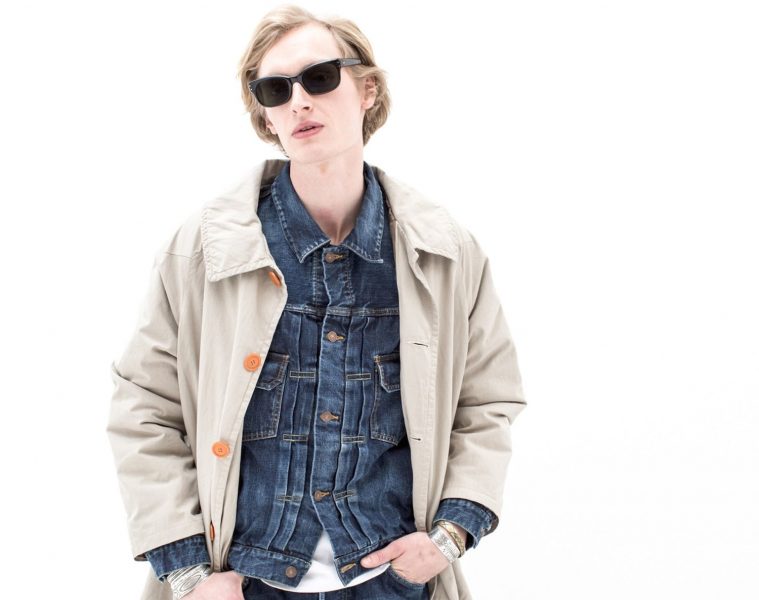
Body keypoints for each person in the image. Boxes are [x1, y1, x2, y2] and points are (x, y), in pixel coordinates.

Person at [106, 5, 526, 600]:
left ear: (368, 90)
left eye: (320, 78)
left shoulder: (444, 253)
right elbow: (144, 408)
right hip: (243, 581)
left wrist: (450, 535)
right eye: (275, 90)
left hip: (390, 582)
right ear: (266, 116)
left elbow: (488, 401)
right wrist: (190, 574)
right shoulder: (203, 250)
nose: (299, 101)